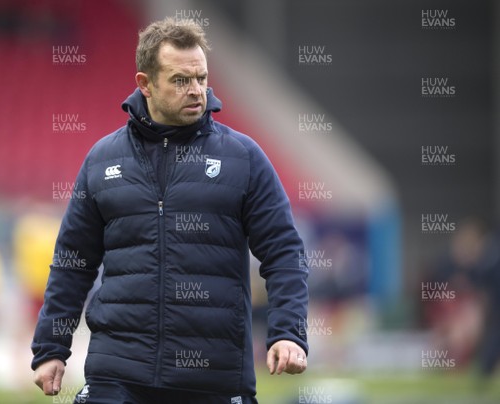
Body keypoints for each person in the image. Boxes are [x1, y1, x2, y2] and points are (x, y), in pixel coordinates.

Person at [32, 17, 309, 404]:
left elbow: (284, 253)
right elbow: (72, 263)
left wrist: (287, 332)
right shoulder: (102, 160)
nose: (196, 90)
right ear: (145, 83)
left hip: (213, 378)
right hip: (118, 373)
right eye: (181, 80)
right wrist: (51, 348)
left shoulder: (243, 158)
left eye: (201, 78)